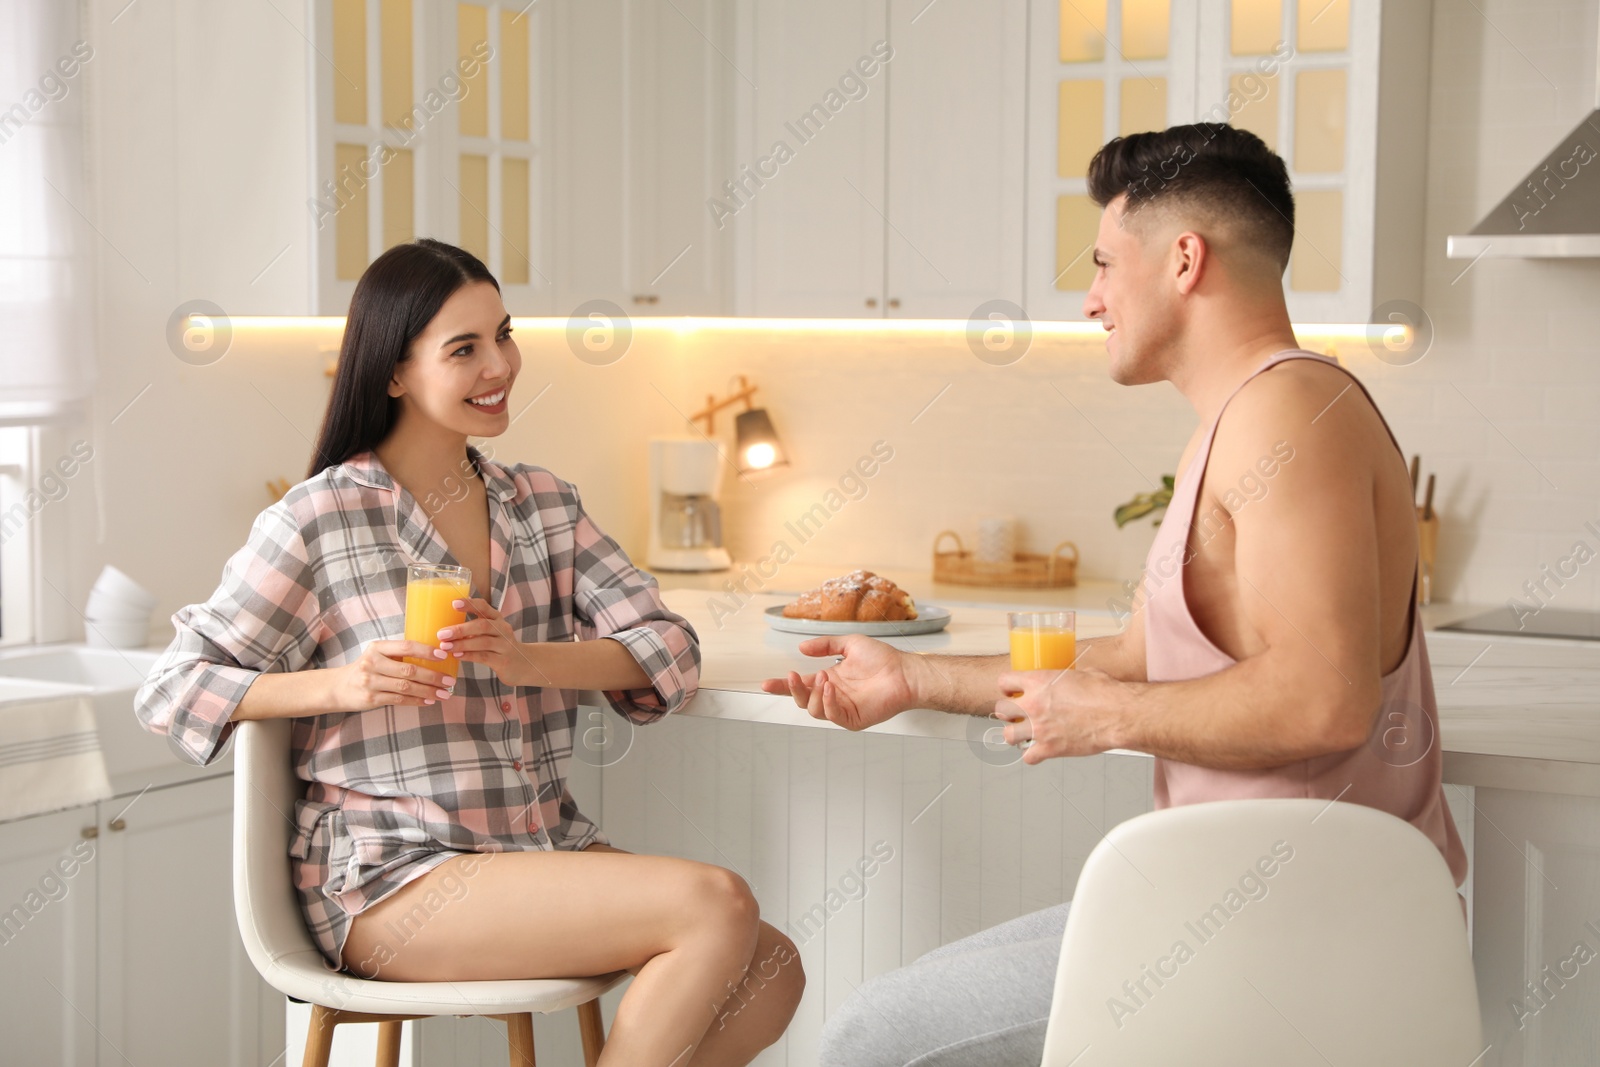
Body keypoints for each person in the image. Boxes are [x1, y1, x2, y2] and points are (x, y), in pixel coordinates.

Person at [763, 124, 1467, 1066]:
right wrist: (913, 675)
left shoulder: (1288, 414)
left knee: (875, 1036)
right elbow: (1137, 657)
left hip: (1295, 925)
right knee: (890, 1015)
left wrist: (1109, 718)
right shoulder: (1244, 417)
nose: (1091, 298)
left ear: (1185, 259)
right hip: (1230, 903)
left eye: (1101, 263)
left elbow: (1325, 698)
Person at [135, 239, 803, 1066]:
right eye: (465, 349)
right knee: (714, 902)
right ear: (393, 372)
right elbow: (172, 685)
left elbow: (668, 644)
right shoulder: (320, 519)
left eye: (504, 334)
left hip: (534, 852)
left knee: (773, 968)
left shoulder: (544, 504)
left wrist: (532, 660)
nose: (501, 364)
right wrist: (342, 684)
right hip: (392, 881)